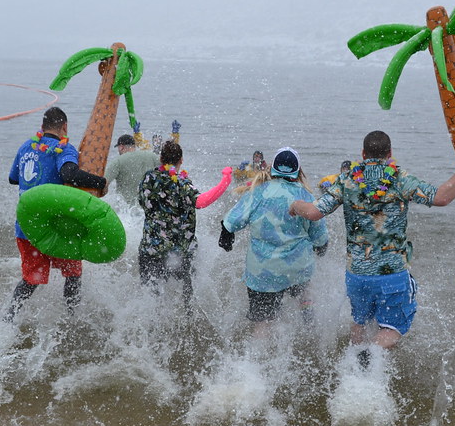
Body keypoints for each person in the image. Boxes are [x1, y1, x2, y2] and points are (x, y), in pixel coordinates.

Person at [289, 130, 455, 354]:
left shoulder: (347, 180)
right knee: (394, 329)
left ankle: (353, 365)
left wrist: (295, 206)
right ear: (390, 154)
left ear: (363, 154)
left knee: (359, 322)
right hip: (391, 275)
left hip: (357, 276)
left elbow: (314, 212)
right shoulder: (400, 179)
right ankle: (367, 353)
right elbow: (441, 197)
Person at [5, 106, 107, 322]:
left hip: (28, 226)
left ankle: (8, 317)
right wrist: (100, 183)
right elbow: (69, 173)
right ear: (64, 127)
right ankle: (72, 318)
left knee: (31, 279)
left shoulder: (26, 147)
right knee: (72, 274)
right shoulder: (64, 149)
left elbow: (13, 179)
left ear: (42, 127)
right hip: (57, 229)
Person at [219, 147, 328, 337]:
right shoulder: (306, 197)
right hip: (297, 268)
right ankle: (308, 322)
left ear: (272, 169)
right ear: (298, 172)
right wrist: (320, 248)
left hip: (263, 272)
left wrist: (227, 236)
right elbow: (320, 237)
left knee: (263, 322)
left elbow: (231, 222)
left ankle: (255, 360)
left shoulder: (257, 192)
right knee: (305, 286)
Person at [138, 141, 231, 303]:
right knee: (186, 297)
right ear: (181, 160)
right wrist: (225, 181)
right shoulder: (181, 183)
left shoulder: (148, 178)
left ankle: (152, 326)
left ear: (161, 158)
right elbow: (201, 202)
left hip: (150, 250)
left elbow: (142, 201)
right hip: (179, 252)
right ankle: (187, 322)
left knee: (150, 299)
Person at [103, 133, 159, 203]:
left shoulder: (117, 161)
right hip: (149, 205)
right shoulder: (151, 156)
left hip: (127, 210)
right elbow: (167, 170)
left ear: (121, 147)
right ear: (134, 145)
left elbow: (104, 183)